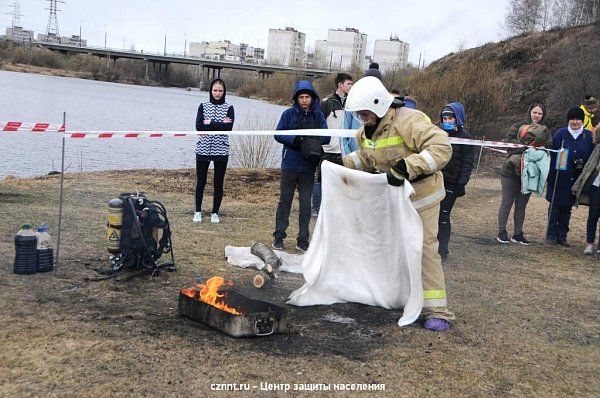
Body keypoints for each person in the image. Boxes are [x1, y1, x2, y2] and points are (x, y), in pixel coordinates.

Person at [334, 76, 454, 331]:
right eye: (359, 115)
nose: (362, 119)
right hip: (393, 199)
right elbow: (366, 158)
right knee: (391, 249)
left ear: (378, 105)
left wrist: (408, 167)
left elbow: (441, 147)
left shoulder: (409, 120)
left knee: (423, 249)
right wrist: (337, 163)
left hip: (422, 197)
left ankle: (437, 310)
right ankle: (401, 296)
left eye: (365, 114)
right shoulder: (364, 131)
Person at [272, 80, 329, 252]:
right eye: (301, 97)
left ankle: (303, 240)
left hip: (308, 166)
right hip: (289, 164)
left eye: (307, 97)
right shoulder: (288, 114)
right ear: (296, 98)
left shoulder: (318, 116)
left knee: (305, 205)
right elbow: (278, 133)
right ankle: (279, 237)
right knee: (284, 202)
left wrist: (310, 140)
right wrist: (295, 139)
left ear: (312, 98)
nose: (304, 100)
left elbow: (327, 137)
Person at [497, 103, 552, 244]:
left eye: (540, 113)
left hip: (529, 173)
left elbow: (548, 147)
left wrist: (537, 149)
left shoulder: (545, 131)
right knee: (507, 202)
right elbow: (510, 143)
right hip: (510, 171)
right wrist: (527, 148)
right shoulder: (517, 126)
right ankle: (501, 232)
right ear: (530, 112)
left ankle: (518, 234)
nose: (537, 115)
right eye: (535, 112)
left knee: (521, 205)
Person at [546, 107, 595, 246]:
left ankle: (562, 236)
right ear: (568, 120)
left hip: (575, 179)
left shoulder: (588, 136)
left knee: (567, 208)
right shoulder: (560, 134)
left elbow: (591, 157)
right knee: (554, 206)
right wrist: (550, 175)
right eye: (572, 119)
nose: (575, 122)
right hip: (558, 177)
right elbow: (552, 153)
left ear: (582, 120)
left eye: (578, 119)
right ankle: (551, 235)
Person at [193, 78, 234, 224]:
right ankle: (197, 211)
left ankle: (215, 212)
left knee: (218, 183)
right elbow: (198, 126)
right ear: (211, 90)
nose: (217, 93)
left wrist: (209, 122)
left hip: (221, 149)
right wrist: (219, 124)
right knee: (201, 181)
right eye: (215, 90)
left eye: (220, 91)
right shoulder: (203, 106)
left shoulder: (229, 107)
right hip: (203, 148)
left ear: (224, 92)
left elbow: (228, 128)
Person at [312, 73, 353, 217]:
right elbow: (318, 124)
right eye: (348, 84)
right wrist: (322, 142)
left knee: (342, 180)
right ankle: (316, 208)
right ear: (340, 85)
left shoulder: (352, 103)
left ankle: (336, 209)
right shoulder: (326, 103)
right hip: (327, 148)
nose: (351, 86)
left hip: (344, 150)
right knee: (320, 179)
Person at [437, 103, 474, 260]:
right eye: (445, 118)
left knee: (444, 215)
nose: (447, 121)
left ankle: (442, 249)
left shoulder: (466, 138)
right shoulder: (438, 134)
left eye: (450, 118)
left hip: (452, 183)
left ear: (457, 118)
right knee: (432, 215)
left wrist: (462, 183)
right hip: (436, 180)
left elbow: (468, 162)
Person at [572, 142, 600, 254]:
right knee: (593, 216)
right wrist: (578, 184)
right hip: (596, 186)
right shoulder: (598, 147)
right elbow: (589, 165)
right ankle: (589, 244)